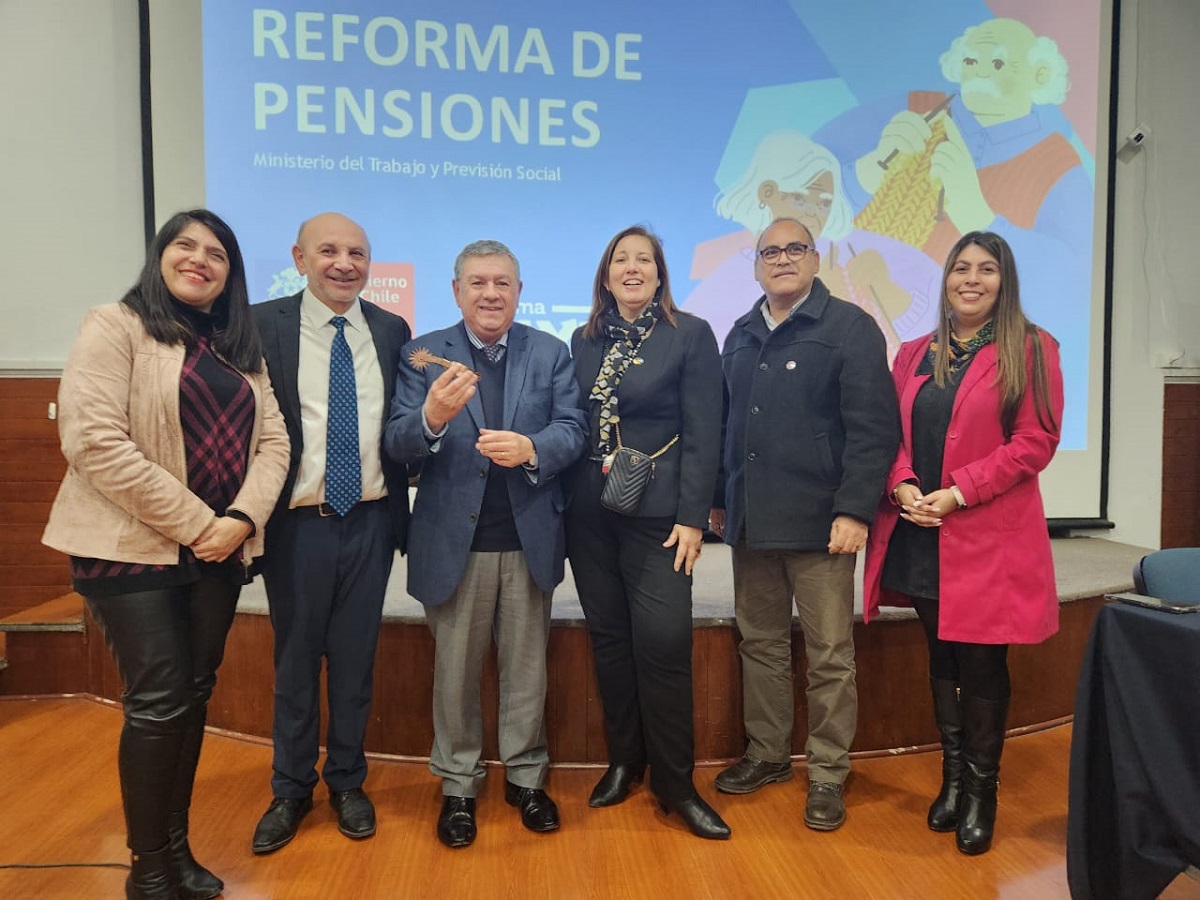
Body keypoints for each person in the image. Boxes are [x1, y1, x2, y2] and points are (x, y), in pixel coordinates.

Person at [42, 209, 290, 899]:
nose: (200, 259)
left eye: (217, 253)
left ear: (230, 274)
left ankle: (178, 852)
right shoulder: (116, 325)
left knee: (193, 695)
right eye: (186, 245)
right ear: (160, 257)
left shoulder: (239, 348)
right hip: (131, 551)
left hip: (218, 551)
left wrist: (240, 520)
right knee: (157, 701)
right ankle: (149, 868)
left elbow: (274, 443)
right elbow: (93, 442)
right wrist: (202, 524)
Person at [863, 231, 1063, 855]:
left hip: (984, 537)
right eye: (961, 268)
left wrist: (958, 492)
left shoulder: (1031, 348)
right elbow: (887, 433)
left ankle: (981, 792)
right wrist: (901, 484)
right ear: (946, 278)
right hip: (918, 531)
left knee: (981, 665)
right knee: (941, 657)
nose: (971, 279)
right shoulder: (914, 352)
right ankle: (951, 780)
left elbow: (1035, 442)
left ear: (1005, 282)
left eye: (987, 269)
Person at [385, 239, 586, 848]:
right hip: (453, 544)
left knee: (527, 672)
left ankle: (526, 778)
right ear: (457, 291)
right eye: (478, 282)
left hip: (529, 539)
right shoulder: (422, 355)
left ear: (519, 292)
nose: (490, 294)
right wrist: (432, 418)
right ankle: (458, 785)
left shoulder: (549, 351)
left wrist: (532, 448)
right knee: (454, 676)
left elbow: (574, 428)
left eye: (502, 283)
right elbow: (397, 442)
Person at [711, 216, 899, 832]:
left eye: (795, 248)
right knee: (760, 644)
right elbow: (725, 425)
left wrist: (854, 509)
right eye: (770, 251)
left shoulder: (850, 327)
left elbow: (874, 429)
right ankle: (767, 754)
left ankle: (827, 772)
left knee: (829, 655)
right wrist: (718, 497)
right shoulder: (740, 333)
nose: (782, 258)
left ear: (816, 259)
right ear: (756, 265)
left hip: (823, 526)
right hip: (751, 523)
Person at [250, 212, 412, 854]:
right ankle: (290, 789)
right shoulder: (262, 326)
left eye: (357, 253)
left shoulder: (391, 330)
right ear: (299, 258)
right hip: (298, 526)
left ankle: (347, 781)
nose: (344, 263)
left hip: (371, 520)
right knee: (295, 662)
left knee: (354, 661)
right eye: (329, 251)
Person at [566, 225, 730, 840]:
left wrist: (693, 516)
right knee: (610, 640)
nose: (632, 268)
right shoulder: (583, 340)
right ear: (606, 275)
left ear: (660, 274)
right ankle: (625, 761)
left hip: (662, 519)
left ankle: (676, 783)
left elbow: (706, 430)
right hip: (590, 515)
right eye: (620, 259)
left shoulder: (690, 334)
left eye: (644, 259)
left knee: (663, 644)